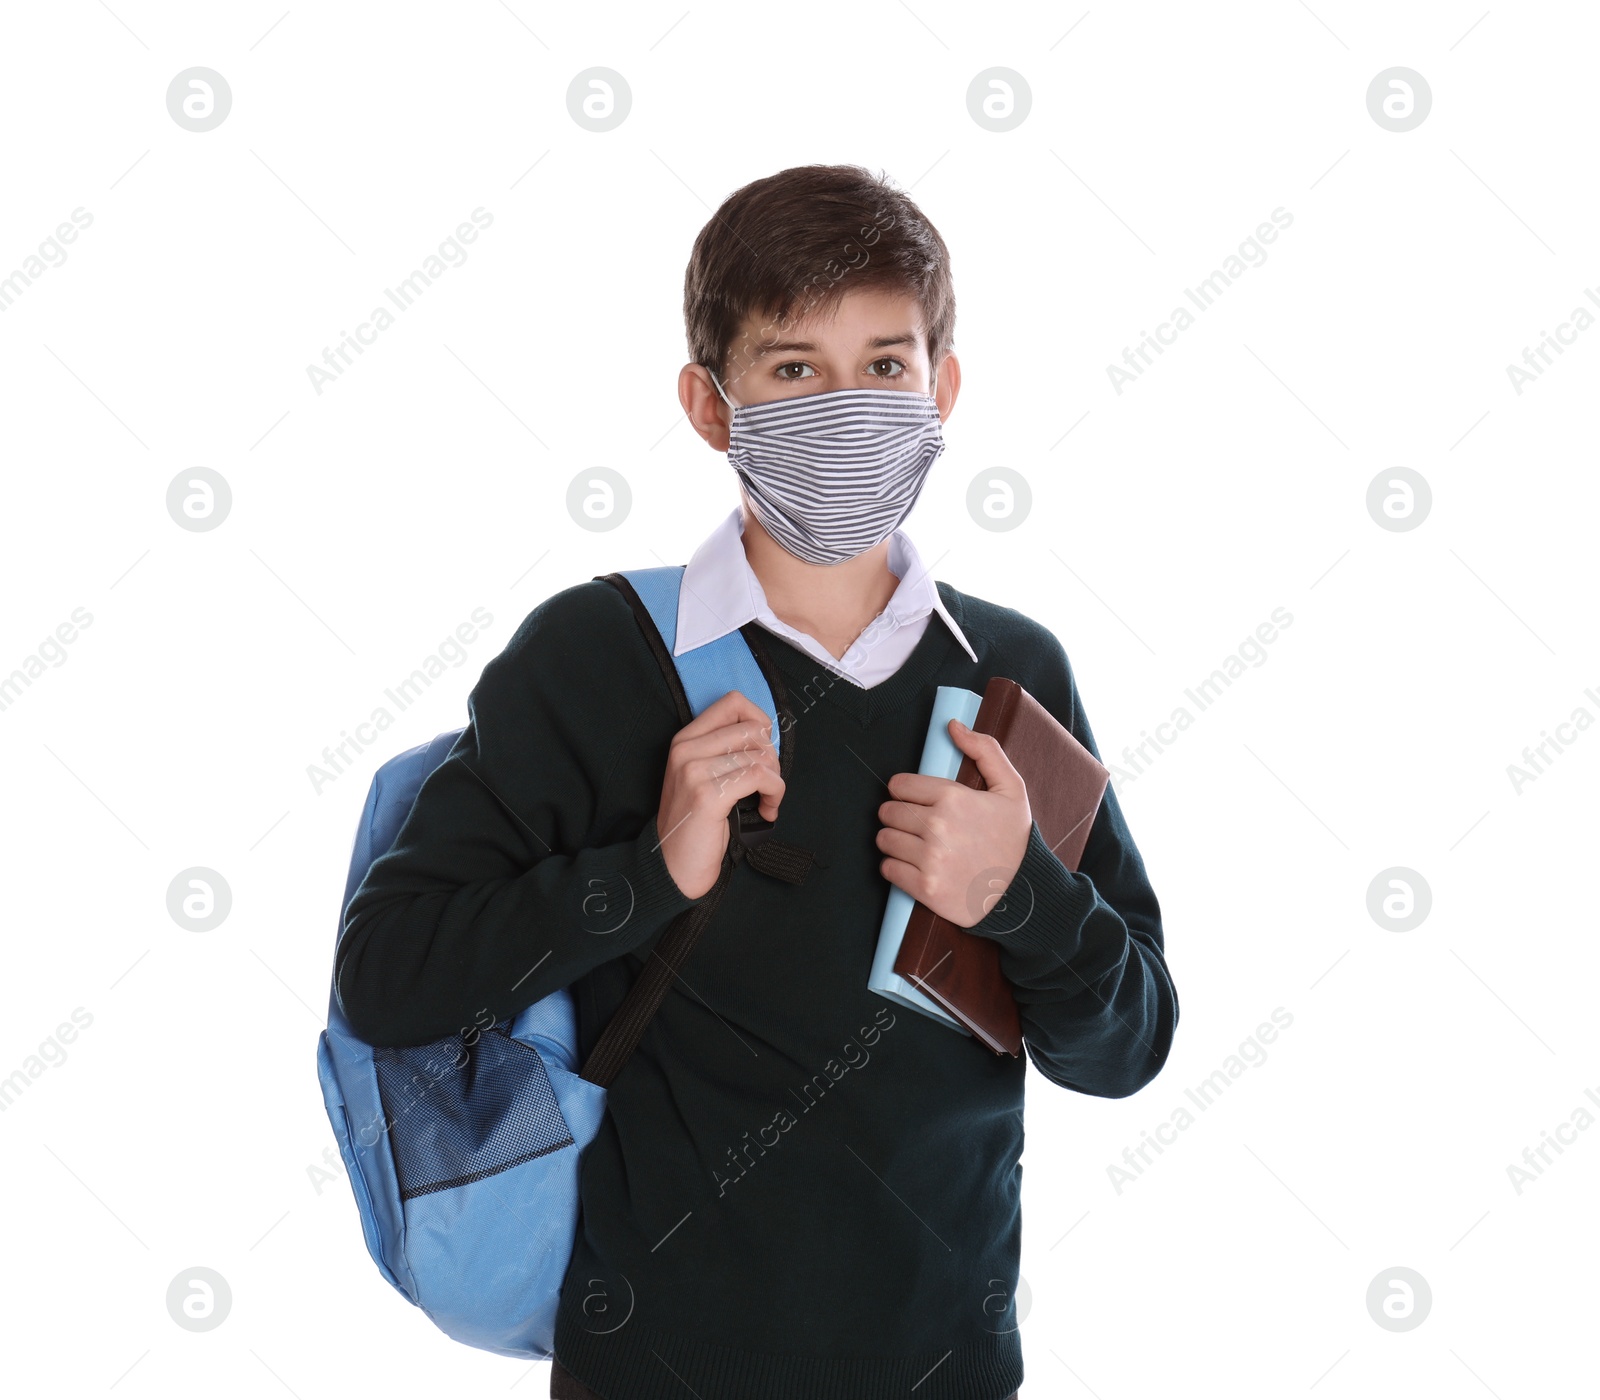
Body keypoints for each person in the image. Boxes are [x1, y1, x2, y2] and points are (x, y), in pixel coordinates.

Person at [336, 163, 1179, 1400]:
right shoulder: (599, 654)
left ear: (939, 387)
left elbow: (1128, 1046)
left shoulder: (1010, 673)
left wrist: (1022, 896)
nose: (847, 407)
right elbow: (387, 973)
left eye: (883, 367)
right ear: (710, 404)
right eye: (793, 370)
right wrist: (643, 874)